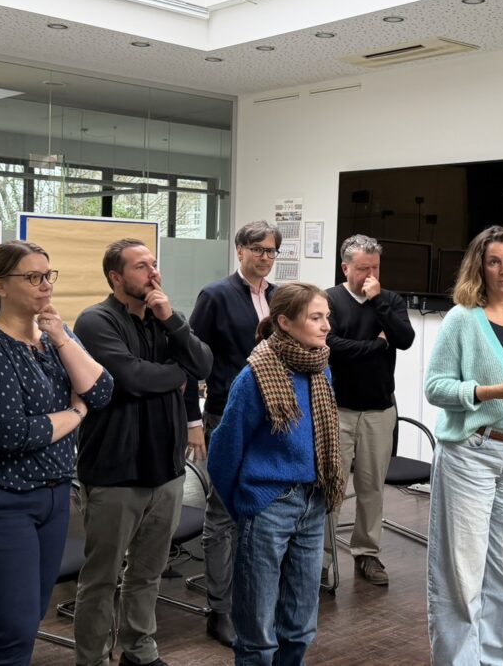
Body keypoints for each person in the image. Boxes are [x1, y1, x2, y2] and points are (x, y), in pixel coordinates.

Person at [0, 241, 113, 666]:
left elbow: (101, 390)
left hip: (53, 497)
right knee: (13, 631)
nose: (45, 286)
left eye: (48, 275)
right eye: (33, 277)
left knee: (29, 619)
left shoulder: (56, 335)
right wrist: (76, 413)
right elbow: (14, 434)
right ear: (0, 285)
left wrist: (60, 337)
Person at [72, 239, 213, 666]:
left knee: (148, 572)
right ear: (116, 277)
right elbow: (129, 378)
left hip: (167, 470)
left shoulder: (165, 319)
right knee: (101, 578)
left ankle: (138, 648)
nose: (153, 273)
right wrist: (177, 375)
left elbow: (204, 366)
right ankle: (93, 659)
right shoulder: (95, 322)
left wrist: (172, 321)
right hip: (115, 472)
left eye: (154, 264)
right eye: (140, 267)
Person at [423, 225, 503, 665]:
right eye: (494, 261)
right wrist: (489, 392)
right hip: (472, 453)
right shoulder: (462, 318)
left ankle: (491, 661)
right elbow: (435, 387)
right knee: (461, 574)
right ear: (480, 267)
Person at [207, 283, 345, 666]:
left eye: (326, 317)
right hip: (269, 505)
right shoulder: (255, 376)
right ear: (284, 322)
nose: (325, 326)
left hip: (313, 503)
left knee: (300, 627)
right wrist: (249, 505)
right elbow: (222, 453)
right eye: (316, 318)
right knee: (257, 636)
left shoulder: (320, 367)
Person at [185, 220, 281, 646]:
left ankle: (251, 598)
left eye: (272, 251)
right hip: (226, 415)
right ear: (239, 251)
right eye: (258, 249)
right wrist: (193, 422)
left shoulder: (279, 298)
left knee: (258, 512)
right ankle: (218, 609)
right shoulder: (216, 296)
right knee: (221, 515)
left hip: (271, 419)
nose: (265, 257)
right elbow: (190, 361)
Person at [322, 234, 414, 586]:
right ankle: (323, 558)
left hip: (379, 409)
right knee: (331, 487)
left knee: (372, 487)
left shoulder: (389, 300)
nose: (369, 274)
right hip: (338, 409)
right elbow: (330, 346)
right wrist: (375, 345)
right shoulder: (329, 300)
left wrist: (379, 304)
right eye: (362, 268)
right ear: (345, 267)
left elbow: (404, 340)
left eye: (374, 267)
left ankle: (367, 553)